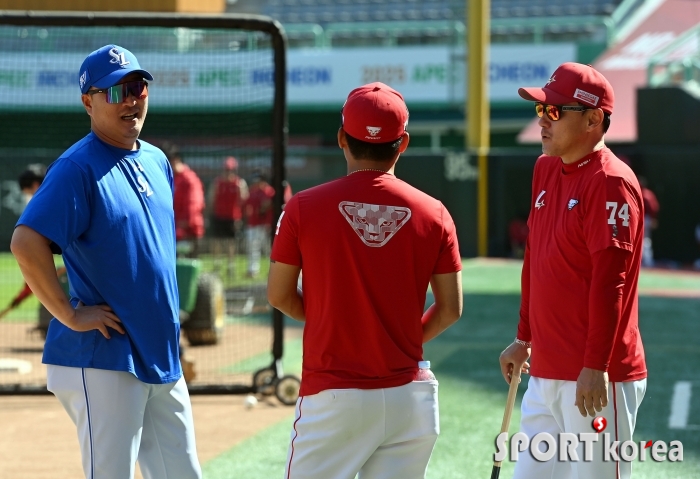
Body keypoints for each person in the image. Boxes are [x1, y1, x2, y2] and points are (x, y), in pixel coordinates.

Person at [10, 44, 201, 479]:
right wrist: (68, 314)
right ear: (88, 102)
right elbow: (26, 242)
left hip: (159, 351)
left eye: (137, 86)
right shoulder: (76, 167)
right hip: (105, 354)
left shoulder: (155, 160)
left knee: (183, 474)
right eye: (115, 91)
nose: (131, 99)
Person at [268, 82, 463, 479]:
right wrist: (393, 337)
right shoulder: (436, 213)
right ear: (403, 143)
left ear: (342, 137)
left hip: (334, 397)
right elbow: (451, 309)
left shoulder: (302, 207)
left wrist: (336, 324)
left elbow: (279, 295)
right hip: (412, 397)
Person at [498, 63, 647, 479]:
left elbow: (610, 281)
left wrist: (595, 366)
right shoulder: (545, 168)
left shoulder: (611, 181)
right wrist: (524, 337)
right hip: (545, 371)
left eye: (555, 112)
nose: (543, 121)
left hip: (596, 377)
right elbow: (537, 259)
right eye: (541, 111)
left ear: (594, 119)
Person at [161, 142, 205, 258]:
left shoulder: (189, 179)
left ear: (175, 160)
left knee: (186, 270)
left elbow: (194, 205)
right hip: (173, 231)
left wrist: (181, 228)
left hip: (188, 233)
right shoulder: (171, 178)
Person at [207, 156, 248, 278]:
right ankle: (217, 265)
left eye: (230, 170)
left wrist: (240, 217)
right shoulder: (217, 183)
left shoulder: (239, 183)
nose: (228, 172)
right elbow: (211, 199)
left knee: (231, 243)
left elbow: (244, 200)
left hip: (233, 218)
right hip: (219, 216)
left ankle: (231, 266)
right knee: (217, 241)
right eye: (226, 170)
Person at [244, 171, 274, 278]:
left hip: (265, 224)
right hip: (253, 224)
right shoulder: (252, 191)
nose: (256, 183)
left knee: (268, 249)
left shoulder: (269, 191)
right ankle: (253, 270)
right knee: (252, 248)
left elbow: (267, 206)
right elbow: (246, 205)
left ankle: (273, 271)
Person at [638, 176, 660, 267]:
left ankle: (647, 261)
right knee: (642, 240)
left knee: (645, 240)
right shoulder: (642, 193)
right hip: (640, 218)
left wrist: (652, 219)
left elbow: (654, 208)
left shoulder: (646, 194)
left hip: (645, 219)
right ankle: (644, 261)